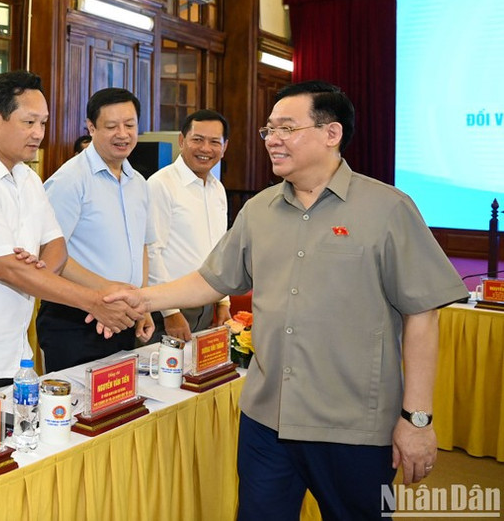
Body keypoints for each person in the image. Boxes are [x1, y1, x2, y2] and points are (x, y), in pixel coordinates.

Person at [104, 81, 468, 520]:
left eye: (286, 128)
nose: (272, 139)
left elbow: (422, 316)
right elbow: (210, 280)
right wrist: (140, 297)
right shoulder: (259, 210)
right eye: (268, 130)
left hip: (352, 425)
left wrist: (418, 419)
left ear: (331, 134)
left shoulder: (388, 209)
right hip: (266, 420)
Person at [0, 71, 140, 405]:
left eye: (43, 123)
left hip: (11, 348)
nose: (38, 134)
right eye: (29, 122)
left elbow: (56, 246)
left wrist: (37, 273)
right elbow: (8, 269)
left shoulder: (27, 178)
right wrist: (90, 300)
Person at [36, 87, 155, 373]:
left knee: (121, 410)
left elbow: (141, 246)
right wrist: (105, 291)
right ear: (91, 128)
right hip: (75, 320)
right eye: (111, 126)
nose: (122, 134)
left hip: (124, 316)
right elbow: (47, 253)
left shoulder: (139, 182)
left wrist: (144, 303)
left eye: (130, 125)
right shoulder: (70, 180)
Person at [147, 109, 232, 343]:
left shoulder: (217, 189)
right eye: (197, 139)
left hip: (206, 304)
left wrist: (223, 300)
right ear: (182, 141)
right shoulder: (160, 185)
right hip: (169, 308)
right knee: (161, 377)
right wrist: (171, 312)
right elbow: (151, 252)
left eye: (215, 142)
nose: (206, 149)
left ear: (224, 147)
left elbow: (220, 249)